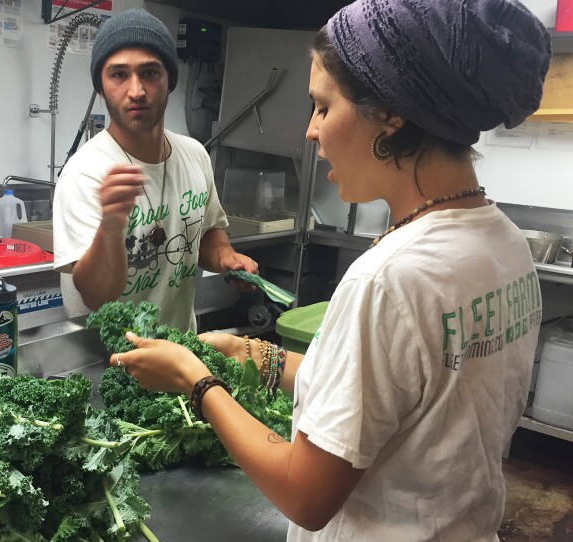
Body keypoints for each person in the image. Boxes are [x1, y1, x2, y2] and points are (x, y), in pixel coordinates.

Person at [108, 0, 551, 539]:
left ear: (392, 112)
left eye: (322, 106)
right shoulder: (503, 242)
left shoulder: (389, 278)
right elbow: (391, 391)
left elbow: (305, 494)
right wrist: (253, 354)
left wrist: (198, 383)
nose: (310, 132)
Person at [52, 8, 257, 331]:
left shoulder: (194, 154)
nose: (136, 90)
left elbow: (205, 233)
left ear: (169, 80)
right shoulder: (85, 173)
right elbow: (96, 297)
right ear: (102, 87)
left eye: (150, 73)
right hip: (108, 366)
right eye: (119, 74)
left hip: (178, 354)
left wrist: (226, 258)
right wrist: (111, 226)